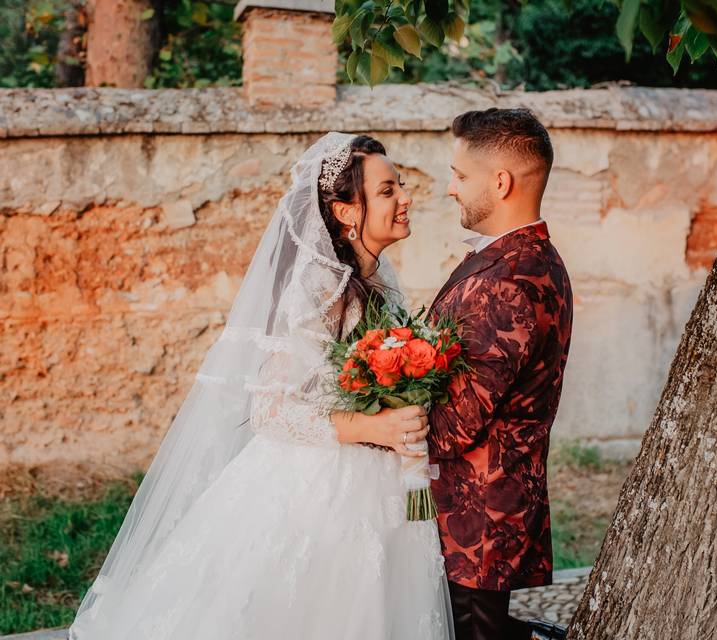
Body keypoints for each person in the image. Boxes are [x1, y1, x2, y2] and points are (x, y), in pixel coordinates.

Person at [69, 133, 454, 640]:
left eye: (399, 186)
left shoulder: (382, 277)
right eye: (387, 191)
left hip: (381, 483)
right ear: (345, 213)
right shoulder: (320, 287)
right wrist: (373, 424)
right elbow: (272, 411)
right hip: (316, 486)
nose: (405, 197)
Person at [428, 109, 575, 640]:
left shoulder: (509, 277)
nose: (450, 189)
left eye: (460, 175)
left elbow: (456, 421)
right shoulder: (528, 257)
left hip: (479, 516)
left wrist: (360, 427)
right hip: (486, 506)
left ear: (501, 182)